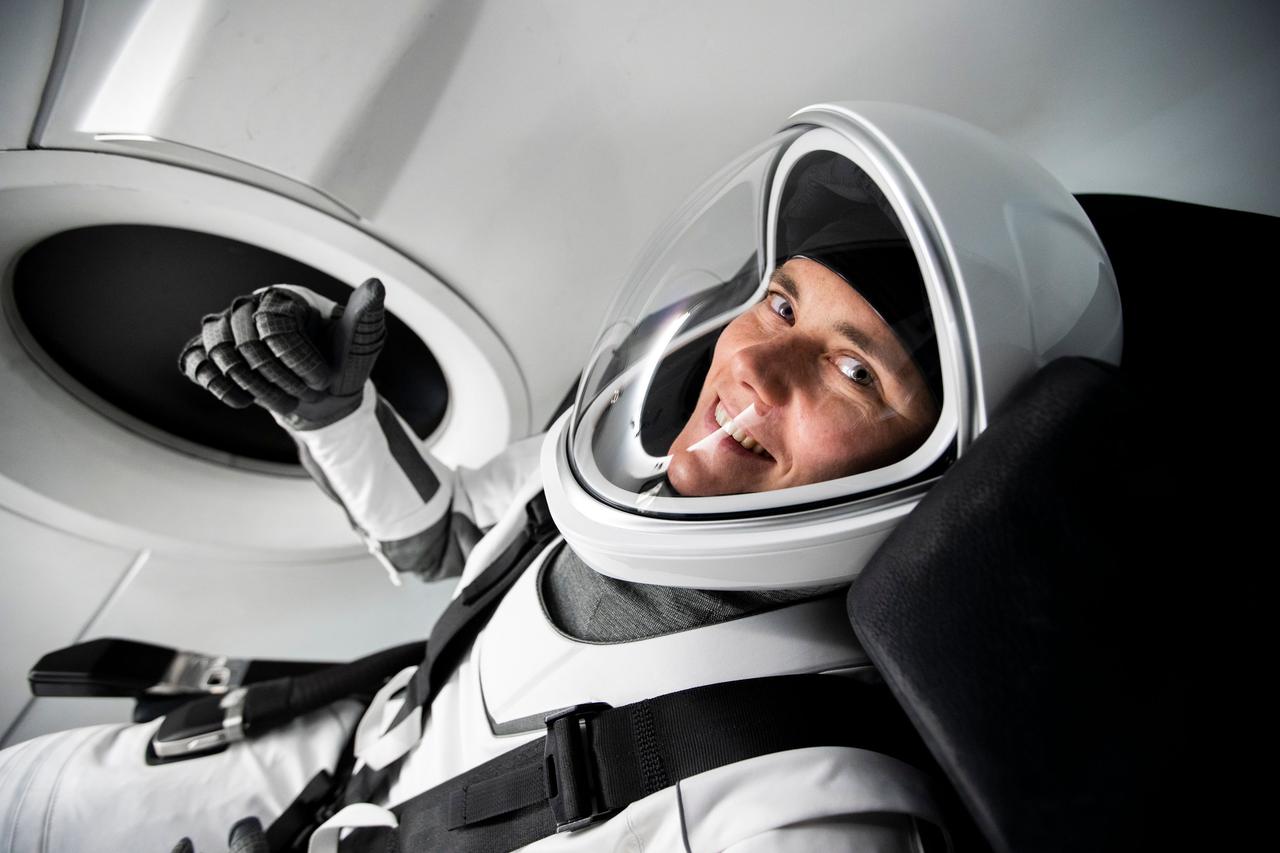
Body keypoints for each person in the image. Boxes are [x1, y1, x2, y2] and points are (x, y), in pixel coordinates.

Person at [0, 102, 1121, 852]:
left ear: (954, 473)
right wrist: (336, 414)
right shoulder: (608, 471)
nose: (751, 363)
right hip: (345, 744)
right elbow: (437, 550)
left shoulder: (804, 810)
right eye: (779, 303)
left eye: (848, 367)